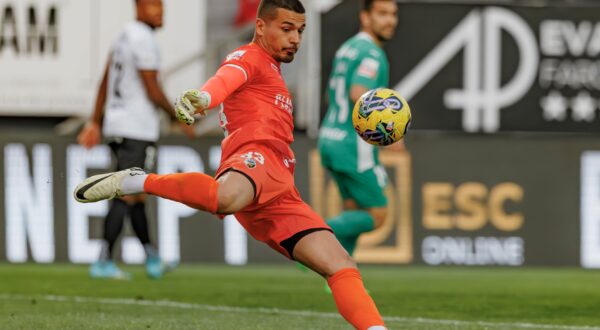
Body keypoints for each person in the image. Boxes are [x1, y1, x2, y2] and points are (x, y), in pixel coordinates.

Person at [74, 0, 386, 329]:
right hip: (253, 158)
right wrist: (204, 98)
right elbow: (226, 79)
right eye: (286, 29)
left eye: (300, 30)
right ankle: (138, 181)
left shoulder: (274, 72)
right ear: (261, 27)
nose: (295, 38)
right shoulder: (249, 56)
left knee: (340, 264)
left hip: (281, 188)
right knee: (225, 198)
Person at [77, 0, 194, 280]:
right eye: (153, 5)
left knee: (137, 193)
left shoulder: (123, 34)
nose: (160, 11)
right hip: (136, 128)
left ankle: (152, 258)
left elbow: (106, 79)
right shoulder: (143, 38)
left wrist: (96, 120)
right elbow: (152, 89)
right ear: (138, 7)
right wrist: (179, 115)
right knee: (125, 191)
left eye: (162, 6)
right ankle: (104, 260)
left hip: (118, 124)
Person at [318, 0, 402, 258]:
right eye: (382, 14)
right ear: (365, 17)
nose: (390, 20)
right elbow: (357, 92)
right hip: (353, 146)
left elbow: (333, 95)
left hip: (329, 136)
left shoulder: (348, 48)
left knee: (352, 209)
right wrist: (388, 129)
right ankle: (311, 233)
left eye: (393, 14)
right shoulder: (371, 54)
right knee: (377, 214)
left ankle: (339, 277)